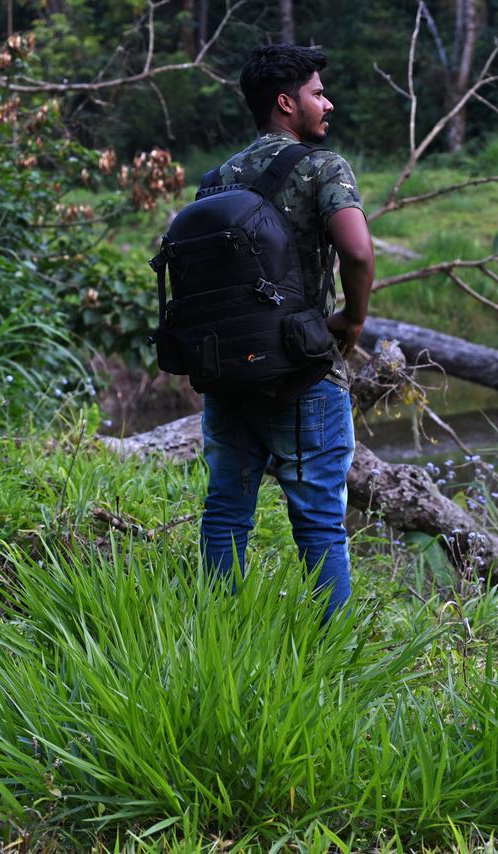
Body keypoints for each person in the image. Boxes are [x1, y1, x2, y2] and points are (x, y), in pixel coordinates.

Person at [199, 44, 374, 621]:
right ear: (285, 102)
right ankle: (337, 657)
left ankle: (220, 635)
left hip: (228, 372)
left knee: (226, 509)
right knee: (320, 517)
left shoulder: (216, 179)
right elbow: (357, 251)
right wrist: (351, 319)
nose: (328, 104)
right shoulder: (325, 168)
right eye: (318, 93)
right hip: (302, 373)